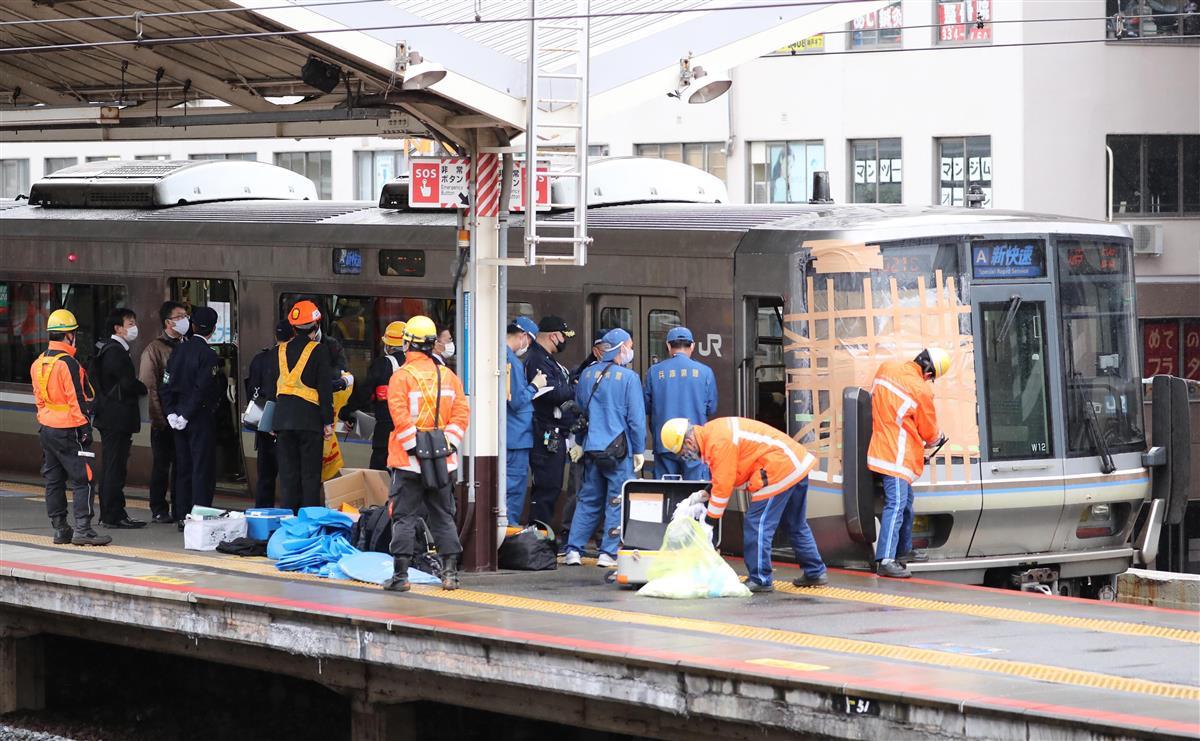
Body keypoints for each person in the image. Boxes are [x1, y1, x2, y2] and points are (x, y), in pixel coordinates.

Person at [660, 416, 826, 592]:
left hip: (778, 468)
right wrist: (707, 492)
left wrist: (709, 522)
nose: (685, 457)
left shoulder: (717, 442)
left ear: (689, 441)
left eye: (682, 452)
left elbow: (724, 484)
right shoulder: (713, 433)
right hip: (795, 463)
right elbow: (730, 472)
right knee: (795, 524)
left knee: (757, 524)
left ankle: (760, 579)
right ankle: (815, 571)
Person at [382, 315, 470, 593]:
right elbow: (461, 413)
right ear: (433, 345)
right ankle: (450, 575)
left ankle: (400, 577)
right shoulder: (449, 376)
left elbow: (399, 417)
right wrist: (447, 445)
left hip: (408, 464)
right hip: (444, 462)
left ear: (407, 343)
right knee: (443, 515)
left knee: (404, 517)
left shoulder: (401, 377)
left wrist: (414, 449)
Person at [563, 328, 645, 568]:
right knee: (617, 500)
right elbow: (636, 420)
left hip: (591, 449)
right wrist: (638, 449)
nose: (630, 351)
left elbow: (580, 412)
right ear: (621, 348)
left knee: (588, 499)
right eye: (629, 346)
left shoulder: (587, 375)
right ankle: (607, 553)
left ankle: (573, 550)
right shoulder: (629, 378)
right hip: (618, 451)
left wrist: (578, 443)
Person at [30, 309, 110, 546]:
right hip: (70, 428)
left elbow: (39, 399)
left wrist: (46, 419)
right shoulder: (68, 364)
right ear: (69, 336)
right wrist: (85, 428)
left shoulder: (38, 363)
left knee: (53, 479)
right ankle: (83, 529)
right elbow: (77, 400)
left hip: (47, 428)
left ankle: (60, 529)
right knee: (83, 478)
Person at [867, 348, 949, 579]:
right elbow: (930, 433)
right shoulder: (920, 390)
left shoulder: (887, 368)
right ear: (929, 371)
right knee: (896, 505)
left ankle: (904, 550)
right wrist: (939, 438)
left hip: (883, 447)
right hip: (897, 455)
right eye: (931, 377)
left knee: (906, 504)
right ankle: (885, 560)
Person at [268, 300, 334, 513]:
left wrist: (271, 420)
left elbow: (272, 390)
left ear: (294, 327)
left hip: (282, 421)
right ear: (316, 326)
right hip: (309, 422)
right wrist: (328, 422)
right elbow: (325, 389)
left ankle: (289, 519)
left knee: (288, 475)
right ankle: (309, 520)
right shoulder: (319, 351)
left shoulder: (278, 352)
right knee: (310, 475)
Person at [162, 306, 222, 529]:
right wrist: (187, 414)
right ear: (213, 329)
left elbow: (165, 383)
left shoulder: (178, 351)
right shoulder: (209, 355)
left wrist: (171, 413)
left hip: (177, 418)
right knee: (202, 468)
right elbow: (202, 388)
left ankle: (181, 514)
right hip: (198, 418)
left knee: (183, 466)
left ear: (193, 326)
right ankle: (200, 515)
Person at [92, 307, 148, 529]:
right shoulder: (115, 351)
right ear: (118, 328)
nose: (134, 327)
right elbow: (126, 383)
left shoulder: (109, 348)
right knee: (115, 467)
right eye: (130, 323)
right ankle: (113, 514)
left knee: (112, 466)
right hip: (116, 418)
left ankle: (110, 513)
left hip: (110, 417)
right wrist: (142, 387)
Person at [643, 326, 717, 480]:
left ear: (669, 346)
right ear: (693, 346)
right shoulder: (705, 372)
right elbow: (712, 407)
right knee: (694, 491)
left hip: (665, 442)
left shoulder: (654, 372)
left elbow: (646, 406)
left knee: (666, 489)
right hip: (693, 442)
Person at [524, 316, 577, 530]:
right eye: (564, 336)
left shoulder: (547, 358)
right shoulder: (537, 359)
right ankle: (538, 534)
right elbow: (551, 392)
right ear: (554, 335)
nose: (565, 340)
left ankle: (543, 536)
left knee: (552, 486)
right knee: (546, 487)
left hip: (554, 432)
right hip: (545, 431)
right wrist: (573, 390)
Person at [138, 301, 188, 523]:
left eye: (186, 315)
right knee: (162, 465)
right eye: (180, 316)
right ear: (168, 322)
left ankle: (180, 506)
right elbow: (150, 387)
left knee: (181, 465)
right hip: (164, 421)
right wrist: (161, 419)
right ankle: (158, 507)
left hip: (183, 418)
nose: (185, 319)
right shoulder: (154, 350)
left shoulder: (186, 344)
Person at [339, 320, 407, 471]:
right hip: (411, 433)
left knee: (378, 476)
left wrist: (347, 412)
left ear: (388, 346)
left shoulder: (383, 365)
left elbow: (364, 392)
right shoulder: (416, 364)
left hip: (386, 430)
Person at [244, 320, 293, 507]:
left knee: (265, 477)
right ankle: (288, 517)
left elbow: (252, 393)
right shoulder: (294, 359)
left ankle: (262, 515)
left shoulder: (260, 359)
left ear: (275, 337)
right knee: (289, 477)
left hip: (264, 424)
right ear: (293, 336)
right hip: (287, 425)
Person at [504, 317, 547, 525]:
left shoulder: (503, 357)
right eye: (529, 341)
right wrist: (535, 386)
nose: (527, 347)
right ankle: (508, 531)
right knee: (512, 490)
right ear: (522, 337)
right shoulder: (509, 360)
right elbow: (517, 401)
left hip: (511, 435)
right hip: (515, 438)